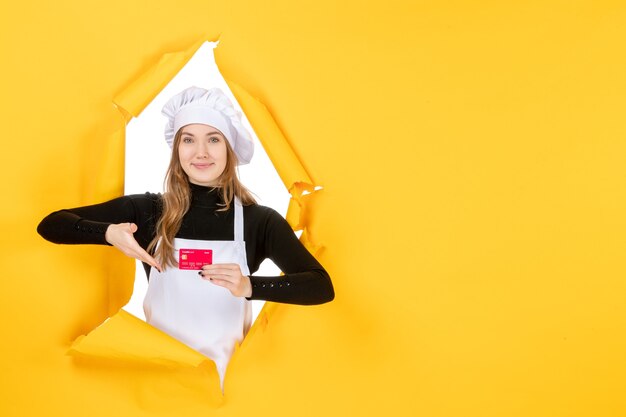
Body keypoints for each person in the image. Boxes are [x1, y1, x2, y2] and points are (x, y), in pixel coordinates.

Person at [37, 86, 334, 387]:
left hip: (227, 394)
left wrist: (249, 286)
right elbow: (52, 224)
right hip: (160, 387)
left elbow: (319, 286)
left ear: (229, 148)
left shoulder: (259, 221)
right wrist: (109, 233)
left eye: (213, 139)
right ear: (177, 149)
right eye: (189, 140)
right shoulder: (148, 211)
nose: (201, 152)